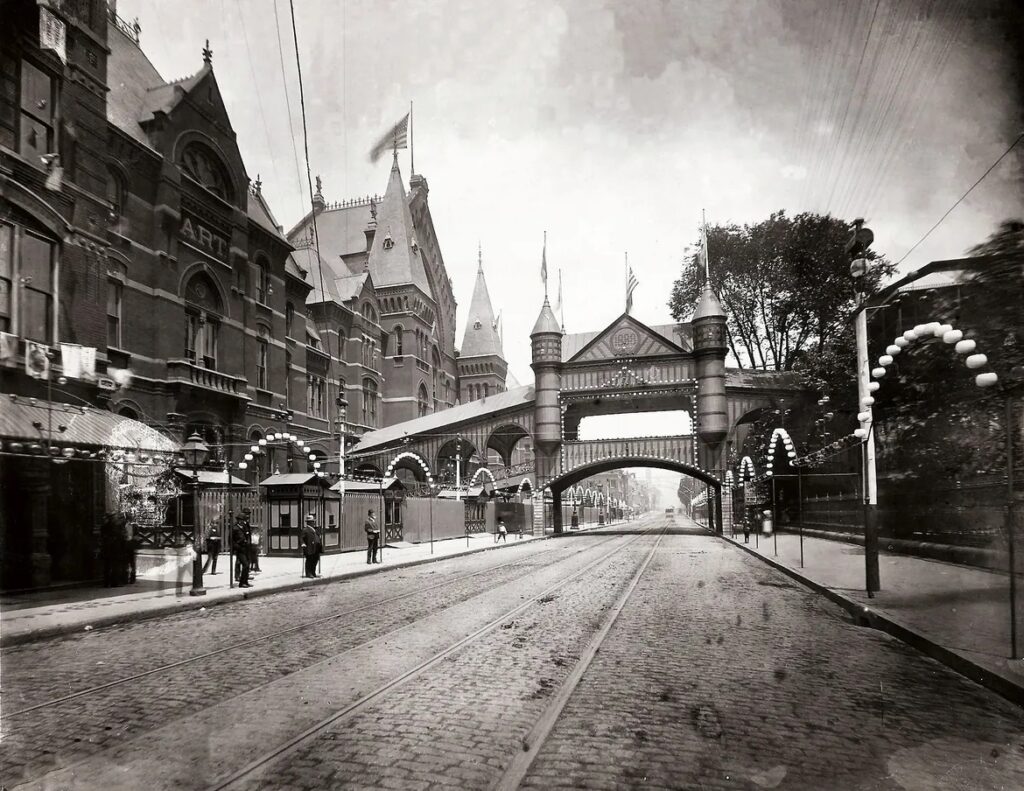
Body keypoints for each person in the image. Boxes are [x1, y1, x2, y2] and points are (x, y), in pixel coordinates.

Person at [232, 510, 252, 587]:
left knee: (247, 565)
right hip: (240, 549)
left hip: (245, 548)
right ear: (238, 520)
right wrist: (236, 547)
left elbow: (247, 536)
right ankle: (241, 583)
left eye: (243, 520)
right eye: (241, 520)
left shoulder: (244, 527)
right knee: (245, 565)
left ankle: (245, 581)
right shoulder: (235, 528)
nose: (242, 522)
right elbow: (231, 540)